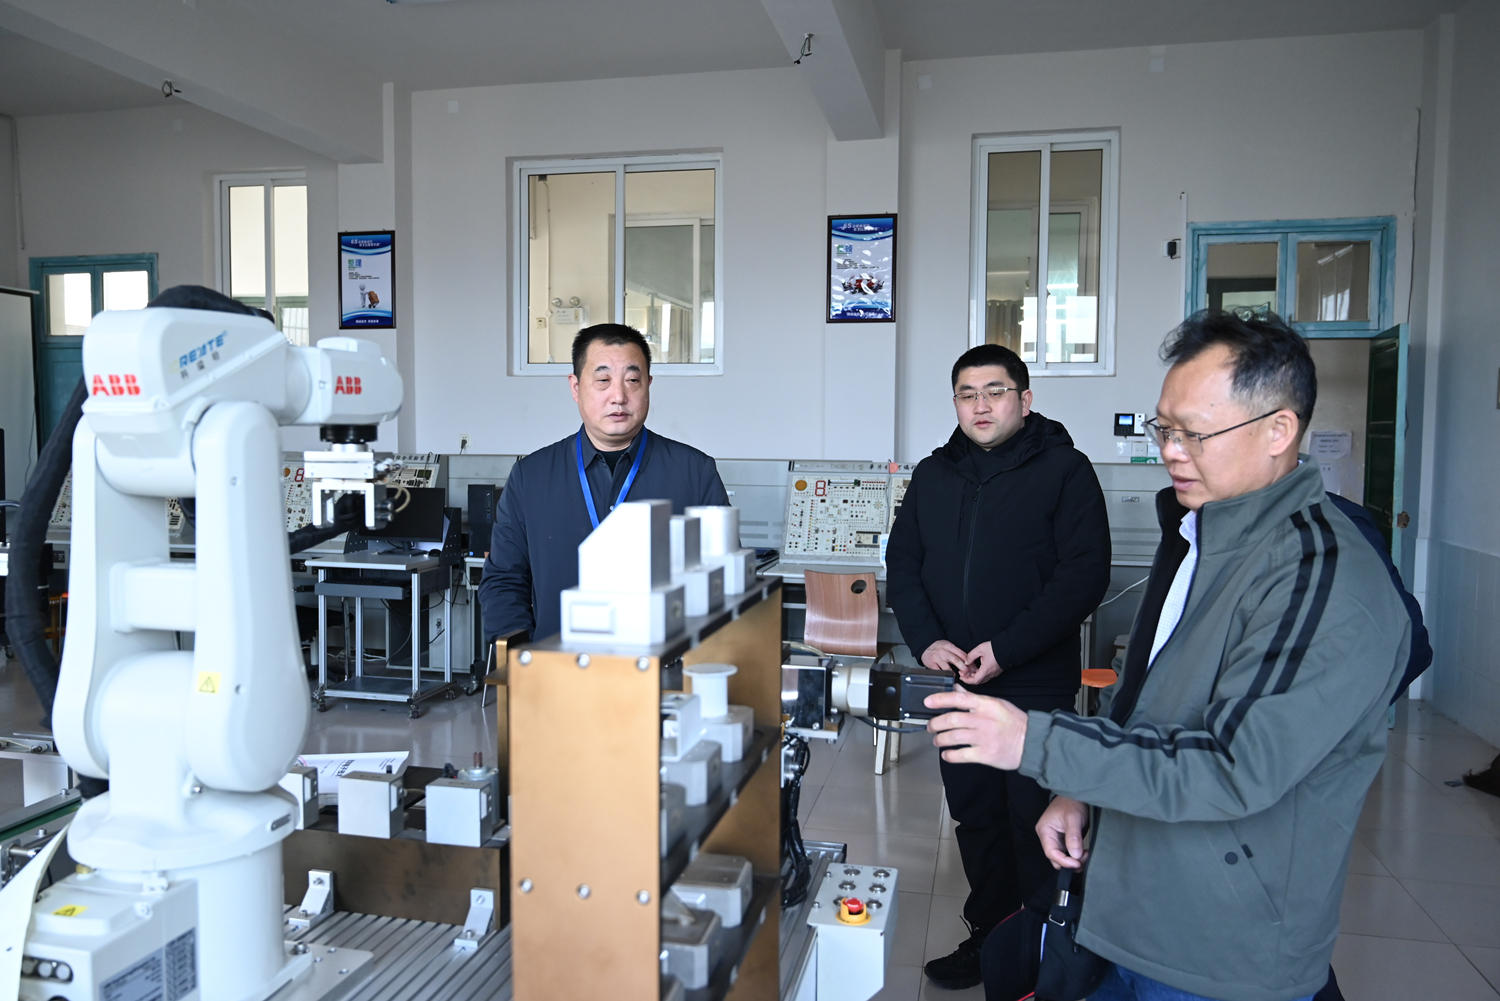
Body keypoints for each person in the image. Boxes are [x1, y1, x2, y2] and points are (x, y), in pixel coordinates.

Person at [925, 311, 1411, 1001]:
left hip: (1216, 951)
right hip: (1125, 914)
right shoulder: (1199, 537)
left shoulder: (1320, 576)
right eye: (1165, 430)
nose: (1172, 453)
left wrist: (1038, 742)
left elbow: (1234, 766)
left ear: (1279, 430)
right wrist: (1081, 789)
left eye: (1195, 434)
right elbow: (1144, 697)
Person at [885, 343, 1111, 991]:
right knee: (976, 816)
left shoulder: (1065, 469)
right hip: (957, 679)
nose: (980, 405)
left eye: (995, 391)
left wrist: (1007, 648)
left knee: (1036, 817)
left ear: (1025, 399)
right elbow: (904, 564)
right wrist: (927, 640)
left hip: (1032, 680)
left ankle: (1044, 951)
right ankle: (990, 936)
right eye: (967, 394)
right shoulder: (934, 474)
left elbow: (1083, 575)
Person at [478, 323, 729, 644]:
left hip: (664, 666)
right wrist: (522, 657)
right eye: (603, 380)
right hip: (559, 664)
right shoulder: (531, 476)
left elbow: (724, 581)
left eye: (632, 380)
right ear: (575, 387)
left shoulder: (694, 472)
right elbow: (503, 580)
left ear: (648, 385)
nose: (619, 396)